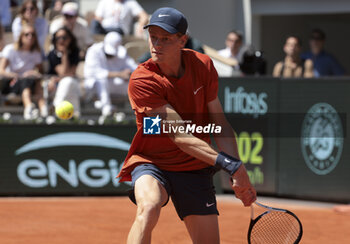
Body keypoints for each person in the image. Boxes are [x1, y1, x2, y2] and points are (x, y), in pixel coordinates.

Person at [116, 7, 256, 244]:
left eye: (166, 39)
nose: (156, 44)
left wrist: (238, 169)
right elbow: (179, 136)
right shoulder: (142, 79)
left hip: (194, 167)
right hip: (152, 161)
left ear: (183, 40)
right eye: (153, 37)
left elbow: (219, 122)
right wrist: (230, 165)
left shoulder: (203, 65)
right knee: (149, 208)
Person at [84, 31, 137, 121]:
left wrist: (130, 74)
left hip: (114, 84)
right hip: (94, 86)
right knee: (101, 80)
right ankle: (107, 111)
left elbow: (133, 67)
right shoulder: (93, 50)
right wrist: (119, 74)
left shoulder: (121, 52)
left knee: (135, 84)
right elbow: (94, 73)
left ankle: (138, 114)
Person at [0, 24, 47, 119]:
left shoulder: (36, 53)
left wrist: (33, 73)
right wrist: (19, 76)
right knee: (25, 79)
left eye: (32, 35)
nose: (30, 37)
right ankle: (29, 107)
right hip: (11, 84)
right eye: (27, 34)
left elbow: (41, 73)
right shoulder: (10, 49)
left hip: (30, 83)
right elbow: (1, 71)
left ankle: (43, 110)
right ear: (21, 36)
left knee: (35, 80)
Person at [47, 27, 81, 118]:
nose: (61, 40)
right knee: (66, 82)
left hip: (71, 84)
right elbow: (63, 72)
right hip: (55, 87)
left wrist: (65, 54)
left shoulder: (75, 52)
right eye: (58, 38)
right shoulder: (52, 54)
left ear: (70, 39)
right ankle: (75, 116)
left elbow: (67, 73)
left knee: (68, 81)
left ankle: (55, 107)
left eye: (64, 37)